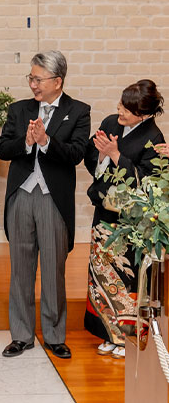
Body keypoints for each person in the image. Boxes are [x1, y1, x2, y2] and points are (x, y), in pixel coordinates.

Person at [0, 50, 91, 359]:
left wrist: (46, 142)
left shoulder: (78, 111)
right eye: (31, 78)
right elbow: (2, 148)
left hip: (53, 199)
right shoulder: (19, 109)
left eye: (38, 79)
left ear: (57, 81)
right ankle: (21, 336)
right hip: (21, 196)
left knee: (53, 270)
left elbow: (76, 154)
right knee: (20, 271)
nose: (33, 84)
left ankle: (54, 335)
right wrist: (26, 142)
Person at [84, 79, 165, 359]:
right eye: (120, 104)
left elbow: (150, 183)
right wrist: (103, 156)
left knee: (124, 277)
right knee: (100, 274)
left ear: (143, 114)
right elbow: (90, 156)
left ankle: (125, 338)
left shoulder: (154, 138)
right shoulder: (110, 122)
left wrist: (116, 155)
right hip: (104, 213)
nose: (119, 110)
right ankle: (106, 334)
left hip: (130, 223)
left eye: (127, 109)